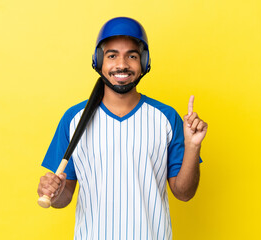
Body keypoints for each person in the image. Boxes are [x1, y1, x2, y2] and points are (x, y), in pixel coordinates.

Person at [37, 17, 208, 239]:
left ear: (144, 62)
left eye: (132, 56)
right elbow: (63, 198)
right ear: (99, 61)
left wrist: (193, 146)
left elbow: (184, 193)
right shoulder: (74, 119)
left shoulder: (167, 117)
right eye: (112, 55)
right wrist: (55, 192)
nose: (122, 64)